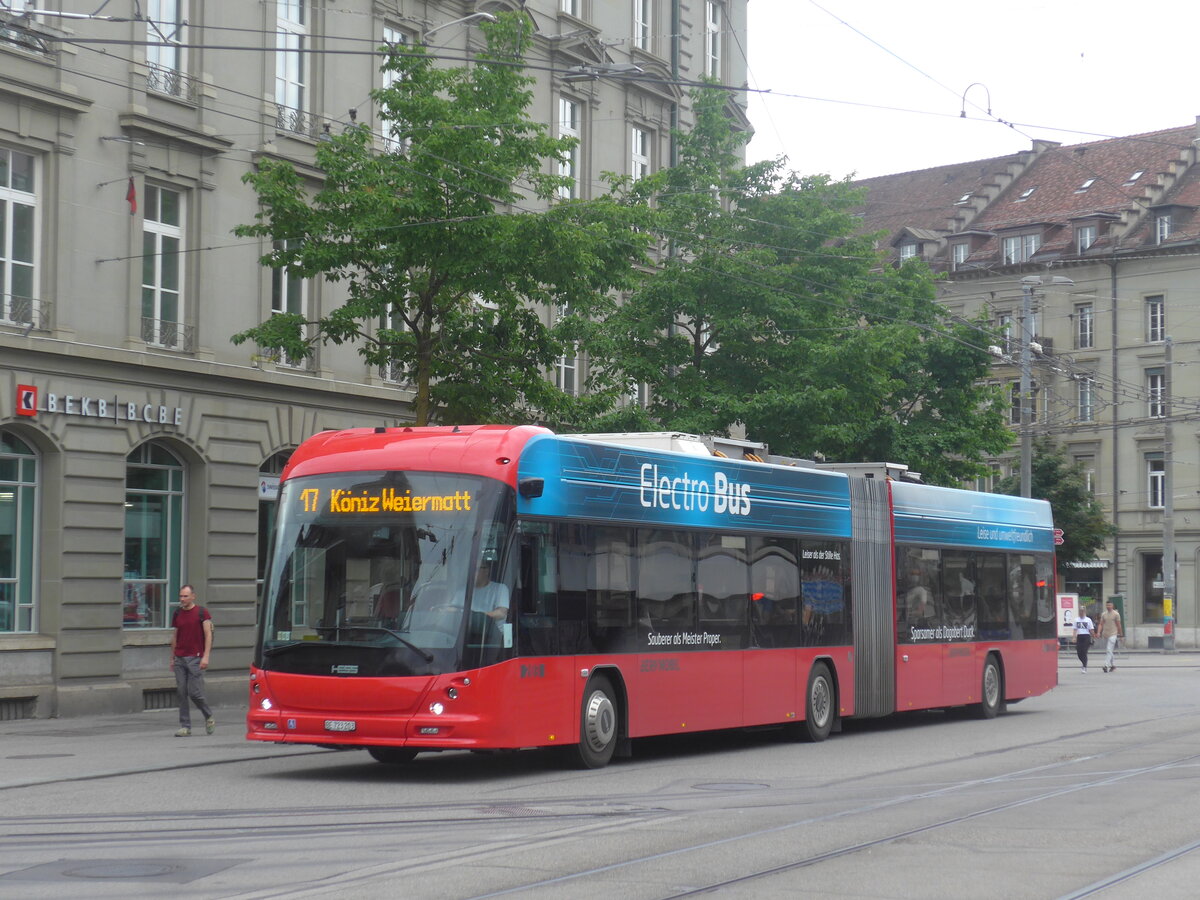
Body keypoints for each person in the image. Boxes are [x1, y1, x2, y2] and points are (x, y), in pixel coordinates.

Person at [170, 585, 215, 736]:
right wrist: (172, 657)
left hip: (195, 658)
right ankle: (185, 726)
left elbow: (208, 635)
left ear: (193, 596)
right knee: (181, 692)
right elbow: (176, 636)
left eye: (185, 596)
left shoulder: (202, 613)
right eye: (181, 596)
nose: (182, 599)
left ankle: (208, 715)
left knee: (194, 693)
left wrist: (206, 656)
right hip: (180, 657)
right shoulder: (177, 613)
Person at [1097, 600, 1124, 673]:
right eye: (1107, 605)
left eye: (1110, 605)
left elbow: (1119, 625)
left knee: (1109, 650)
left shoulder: (1116, 614)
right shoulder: (1104, 614)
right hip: (1105, 634)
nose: (1108, 606)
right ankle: (1113, 666)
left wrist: (1121, 635)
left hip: (1113, 634)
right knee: (1109, 650)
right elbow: (1101, 624)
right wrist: (1099, 632)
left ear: (1112, 606)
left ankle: (1106, 665)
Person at [1072, 605, 1096, 673]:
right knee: (1079, 652)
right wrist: (1074, 637)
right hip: (1079, 636)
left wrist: (1093, 636)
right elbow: (1075, 629)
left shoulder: (1088, 620)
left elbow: (1091, 629)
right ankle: (1083, 663)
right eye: (1080, 611)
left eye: (1082, 611)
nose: (1081, 612)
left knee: (1084, 652)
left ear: (1085, 611)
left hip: (1086, 636)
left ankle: (1084, 666)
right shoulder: (1076, 620)